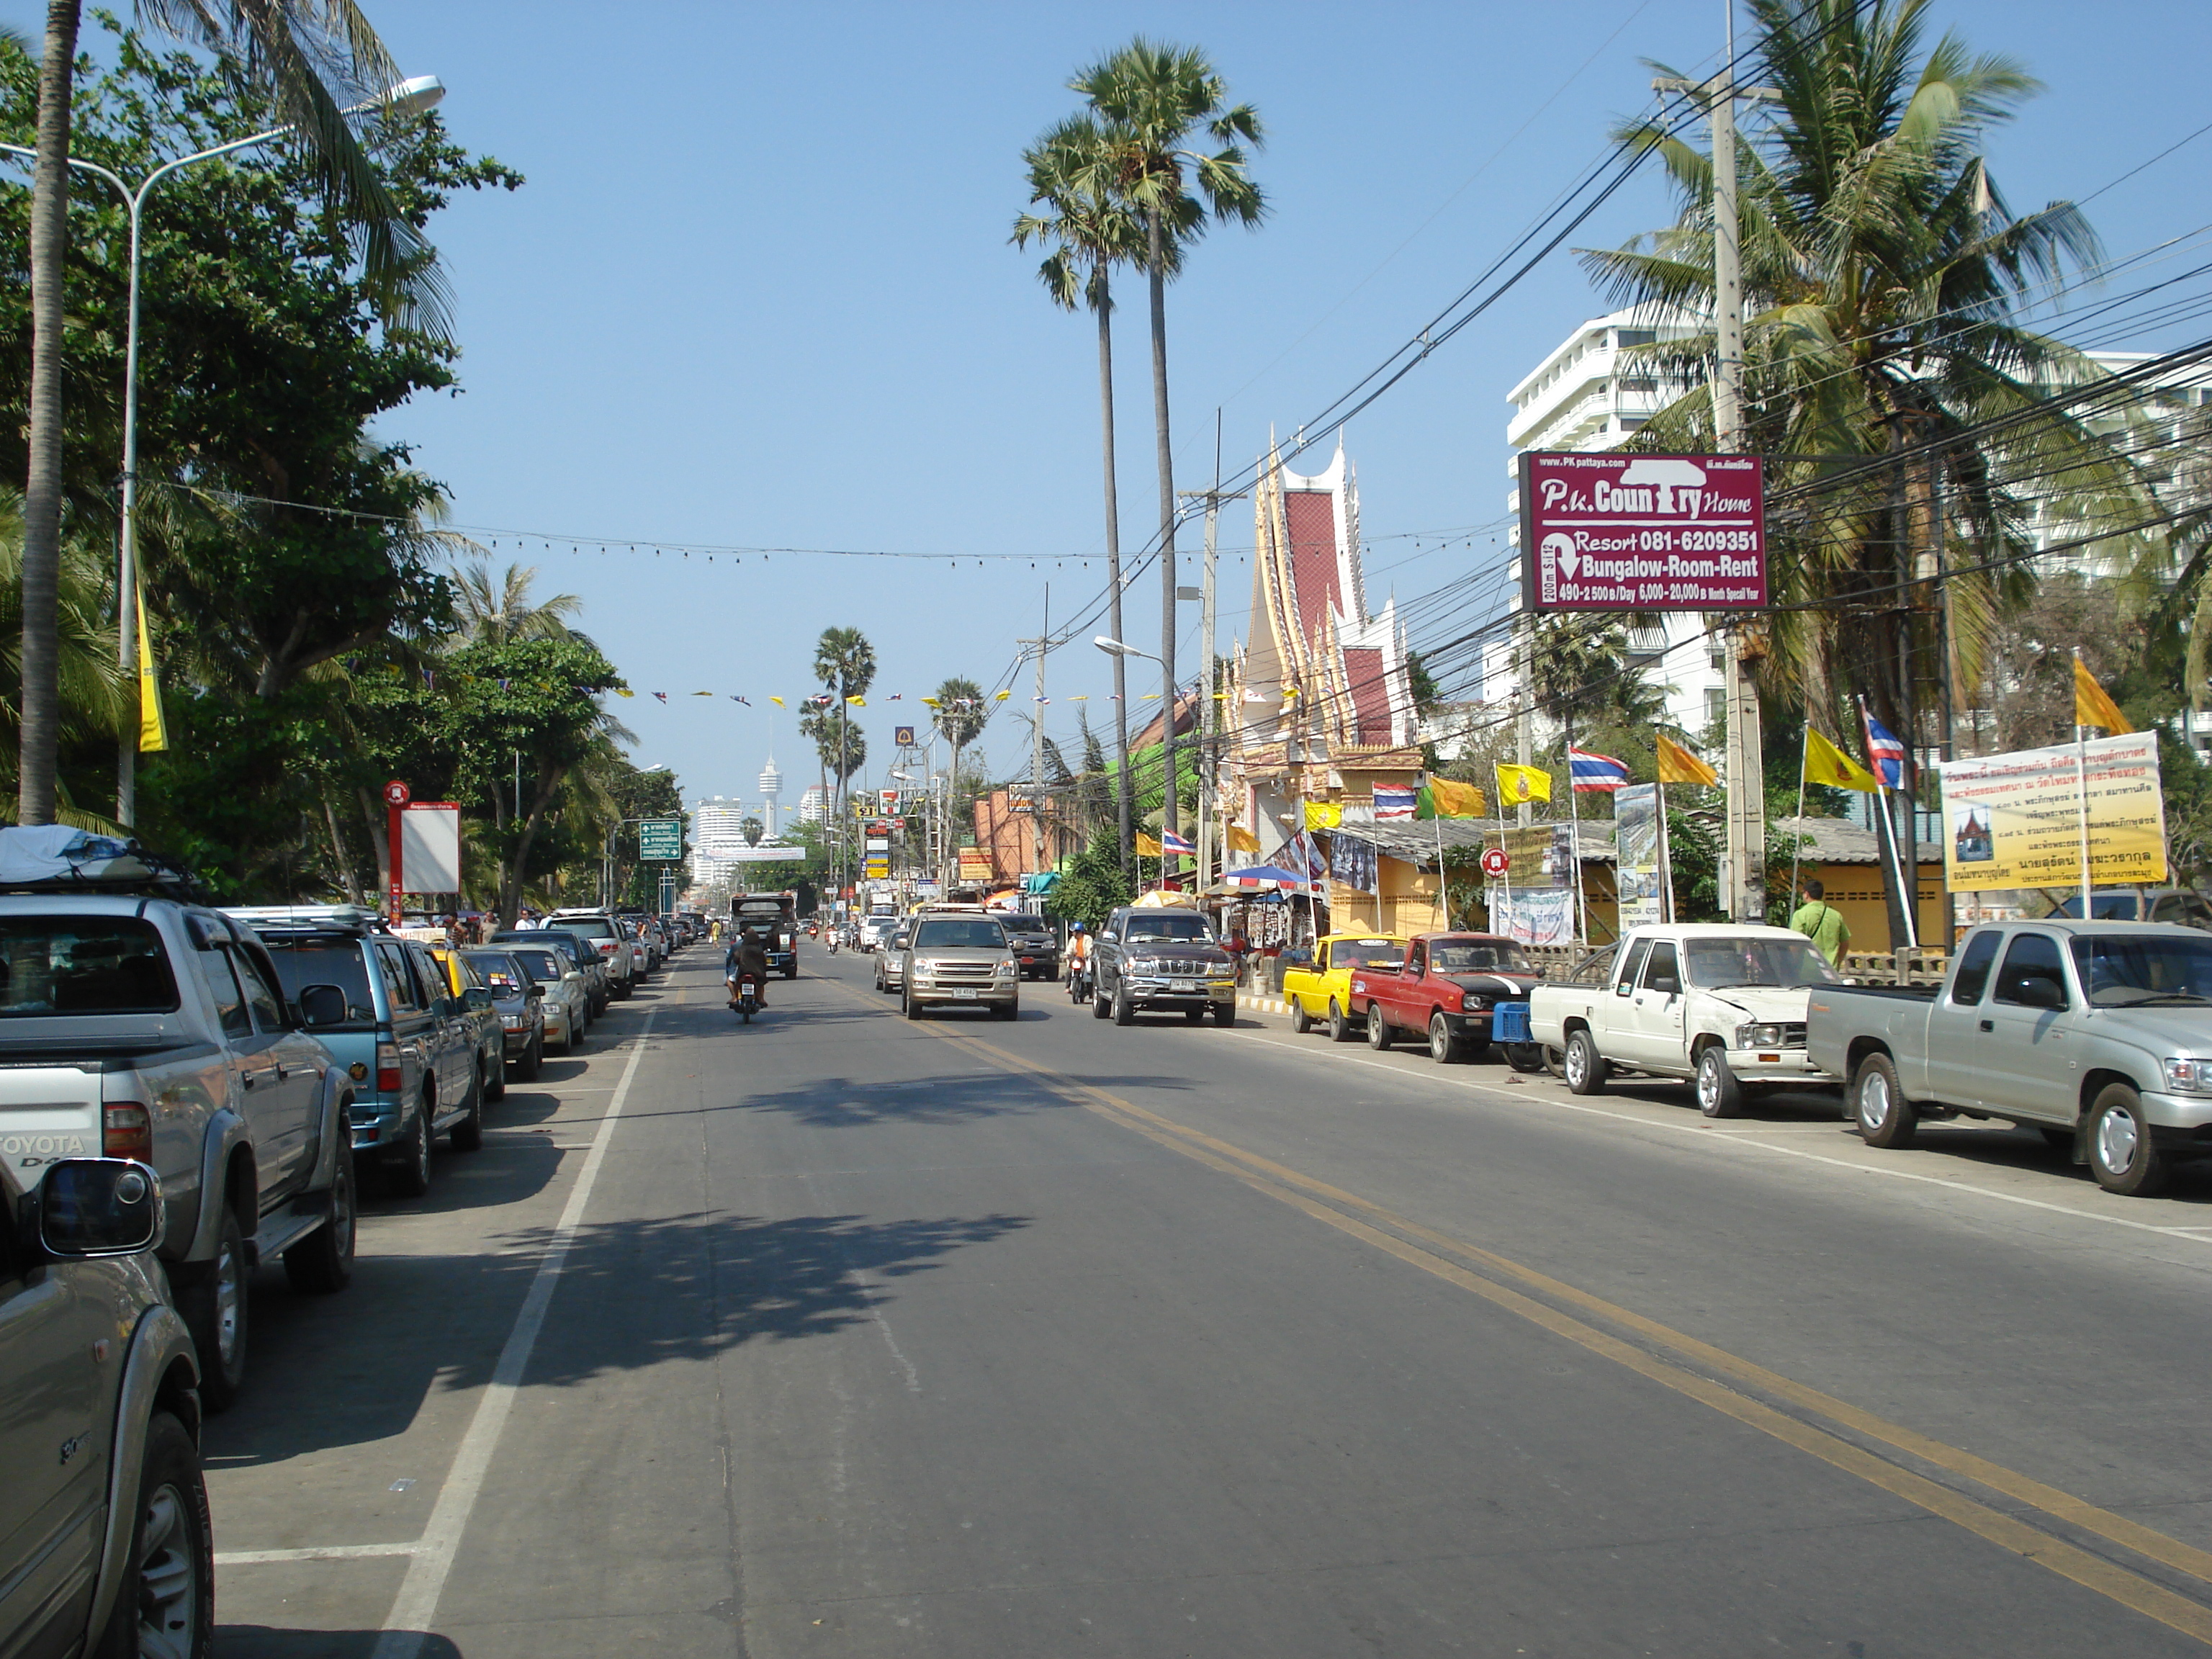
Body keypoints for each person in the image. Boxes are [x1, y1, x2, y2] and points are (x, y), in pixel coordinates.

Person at [1789, 878, 1851, 966]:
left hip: (1807, 970)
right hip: (1830, 971)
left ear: (1806, 894)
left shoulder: (1800, 915)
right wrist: (1837, 964)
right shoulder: (1836, 915)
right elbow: (1845, 943)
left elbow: (1795, 944)